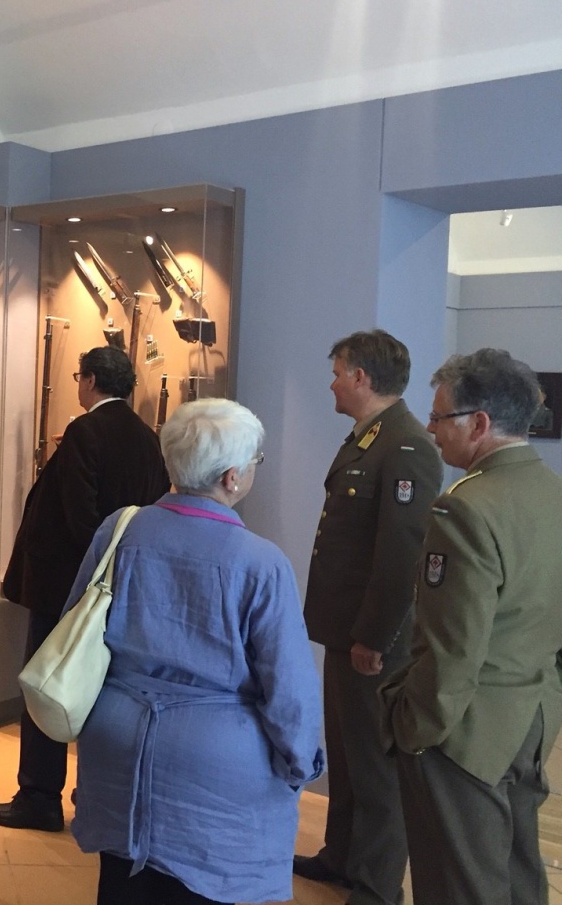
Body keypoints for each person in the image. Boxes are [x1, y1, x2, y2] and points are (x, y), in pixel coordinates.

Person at [70, 398, 324, 905]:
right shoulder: (261, 562)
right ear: (233, 477)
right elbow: (289, 688)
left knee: (123, 886)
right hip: (214, 768)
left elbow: (75, 626)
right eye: (255, 462)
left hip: (116, 742)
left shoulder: (119, 530)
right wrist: (301, 762)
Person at [381, 348, 562, 905]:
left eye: (440, 417)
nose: (430, 429)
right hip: (531, 718)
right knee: (517, 879)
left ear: (479, 423)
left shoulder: (464, 508)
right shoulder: (551, 493)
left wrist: (414, 730)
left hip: (464, 732)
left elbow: (451, 651)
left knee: (456, 886)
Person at [0, 345, 169, 832]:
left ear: (89, 381)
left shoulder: (85, 431)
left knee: (46, 686)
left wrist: (88, 580)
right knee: (102, 693)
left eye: (78, 377)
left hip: (68, 589)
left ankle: (39, 795)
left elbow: (79, 517)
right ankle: (93, 795)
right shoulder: (147, 438)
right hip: (120, 587)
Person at [296, 330, 443, 903]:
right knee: (348, 753)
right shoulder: (369, 438)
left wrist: (374, 636)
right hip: (347, 629)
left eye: (338, 372)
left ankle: (377, 886)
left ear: (360, 377)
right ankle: (342, 856)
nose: (332, 383)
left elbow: (402, 554)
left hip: (372, 638)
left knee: (377, 766)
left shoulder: (405, 446)